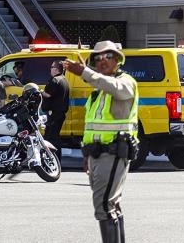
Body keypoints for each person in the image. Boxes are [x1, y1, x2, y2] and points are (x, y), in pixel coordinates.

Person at [63, 41, 138, 243]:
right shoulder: (98, 92)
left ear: (117, 60)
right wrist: (87, 155)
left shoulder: (126, 81)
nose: (102, 61)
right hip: (97, 154)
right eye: (97, 58)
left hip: (114, 152)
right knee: (110, 205)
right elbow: (92, 127)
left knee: (103, 206)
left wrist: (85, 72)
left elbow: (115, 87)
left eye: (107, 56)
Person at [41, 60, 70, 160]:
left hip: (54, 114)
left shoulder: (55, 80)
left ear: (56, 69)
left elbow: (48, 94)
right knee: (55, 137)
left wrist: (39, 92)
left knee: (51, 138)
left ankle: (54, 159)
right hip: (60, 114)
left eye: (52, 67)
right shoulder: (64, 79)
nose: (50, 69)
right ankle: (56, 159)